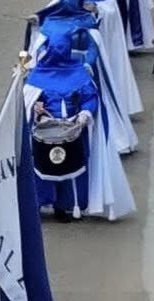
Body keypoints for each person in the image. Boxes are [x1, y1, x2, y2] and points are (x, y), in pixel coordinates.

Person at [26, 31, 134, 222]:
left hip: (73, 128)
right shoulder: (38, 74)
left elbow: (90, 98)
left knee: (70, 169)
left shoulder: (79, 73)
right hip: (45, 128)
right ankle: (42, 202)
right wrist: (36, 108)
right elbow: (29, 99)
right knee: (44, 168)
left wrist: (84, 114)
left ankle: (64, 205)